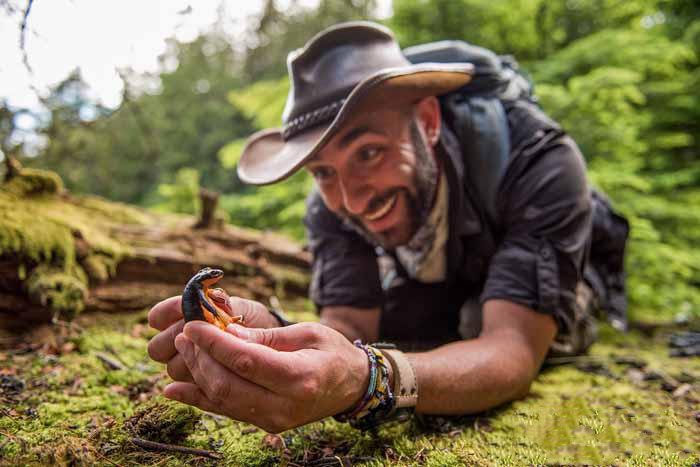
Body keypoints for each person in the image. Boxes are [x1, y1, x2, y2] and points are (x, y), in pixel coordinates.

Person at [147, 21, 629, 433]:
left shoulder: (538, 161)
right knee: (412, 323)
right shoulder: (329, 206)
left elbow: (512, 348)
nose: (352, 200)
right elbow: (348, 327)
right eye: (323, 172)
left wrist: (371, 380)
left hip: (535, 268)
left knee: (480, 323)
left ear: (427, 120)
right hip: (443, 278)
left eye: (370, 152)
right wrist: (271, 334)